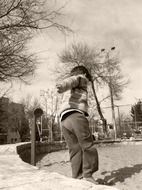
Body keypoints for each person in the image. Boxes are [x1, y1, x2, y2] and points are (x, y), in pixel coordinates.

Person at [56, 65, 99, 184]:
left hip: (64, 120)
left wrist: (63, 87)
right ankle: (88, 174)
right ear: (85, 74)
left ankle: (77, 176)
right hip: (76, 116)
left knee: (74, 149)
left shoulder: (69, 90)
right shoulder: (81, 78)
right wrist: (63, 85)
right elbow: (73, 80)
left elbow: (70, 81)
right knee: (88, 145)